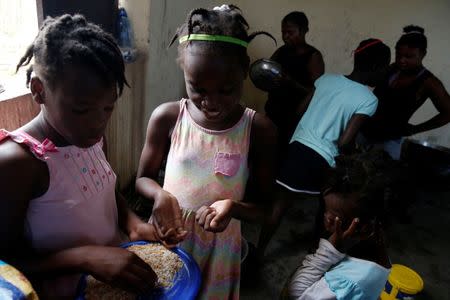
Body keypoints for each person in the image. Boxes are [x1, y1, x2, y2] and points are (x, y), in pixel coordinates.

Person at [0, 14, 161, 299]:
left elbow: (107, 193)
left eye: (108, 109)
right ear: (39, 90)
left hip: (112, 286)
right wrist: (84, 258)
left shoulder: (93, 140)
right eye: (81, 110)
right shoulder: (18, 162)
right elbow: (6, 266)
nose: (97, 123)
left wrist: (134, 225)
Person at [135, 4, 277, 299]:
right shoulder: (167, 117)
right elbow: (142, 179)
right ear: (184, 70)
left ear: (244, 71)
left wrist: (233, 208)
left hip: (219, 251)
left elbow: (264, 210)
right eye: (197, 88)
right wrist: (159, 195)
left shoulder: (258, 129)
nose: (211, 102)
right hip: (168, 238)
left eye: (226, 90)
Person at [257, 39, 391, 256]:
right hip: (324, 159)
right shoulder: (369, 98)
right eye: (386, 67)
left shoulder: (326, 80)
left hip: (297, 149)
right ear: (376, 67)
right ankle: (315, 252)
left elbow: (300, 110)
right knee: (326, 208)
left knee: (278, 206)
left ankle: (259, 250)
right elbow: (346, 142)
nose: (386, 73)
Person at [282, 153, 391, 300]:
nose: (325, 220)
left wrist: (328, 251)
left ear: (363, 228)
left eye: (335, 219)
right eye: (325, 209)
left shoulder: (347, 283)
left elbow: (294, 292)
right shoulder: (373, 237)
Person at [361, 25, 450, 160]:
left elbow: (448, 113)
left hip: (389, 141)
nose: (402, 60)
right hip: (363, 131)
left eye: (409, 56)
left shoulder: (429, 82)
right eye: (398, 55)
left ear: (423, 54)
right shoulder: (392, 69)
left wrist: (416, 129)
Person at [265, 11, 325, 154]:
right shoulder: (281, 52)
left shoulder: (313, 56)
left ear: (304, 31)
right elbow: (267, 72)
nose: (285, 37)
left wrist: (291, 82)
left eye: (290, 32)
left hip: (295, 119)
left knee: (286, 155)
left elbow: (317, 91)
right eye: (283, 32)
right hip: (274, 113)